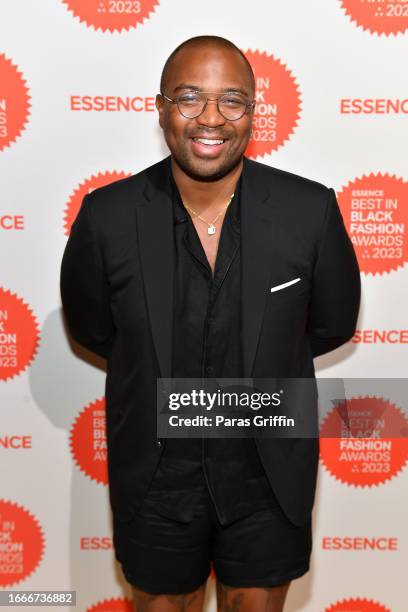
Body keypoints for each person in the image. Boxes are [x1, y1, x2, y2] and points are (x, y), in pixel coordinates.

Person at [60, 35, 361, 612]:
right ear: (161, 108)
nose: (211, 118)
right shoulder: (108, 216)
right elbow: (95, 331)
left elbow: (331, 325)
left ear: (253, 112)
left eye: (232, 100)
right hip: (155, 474)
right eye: (190, 97)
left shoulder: (310, 210)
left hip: (268, 471)